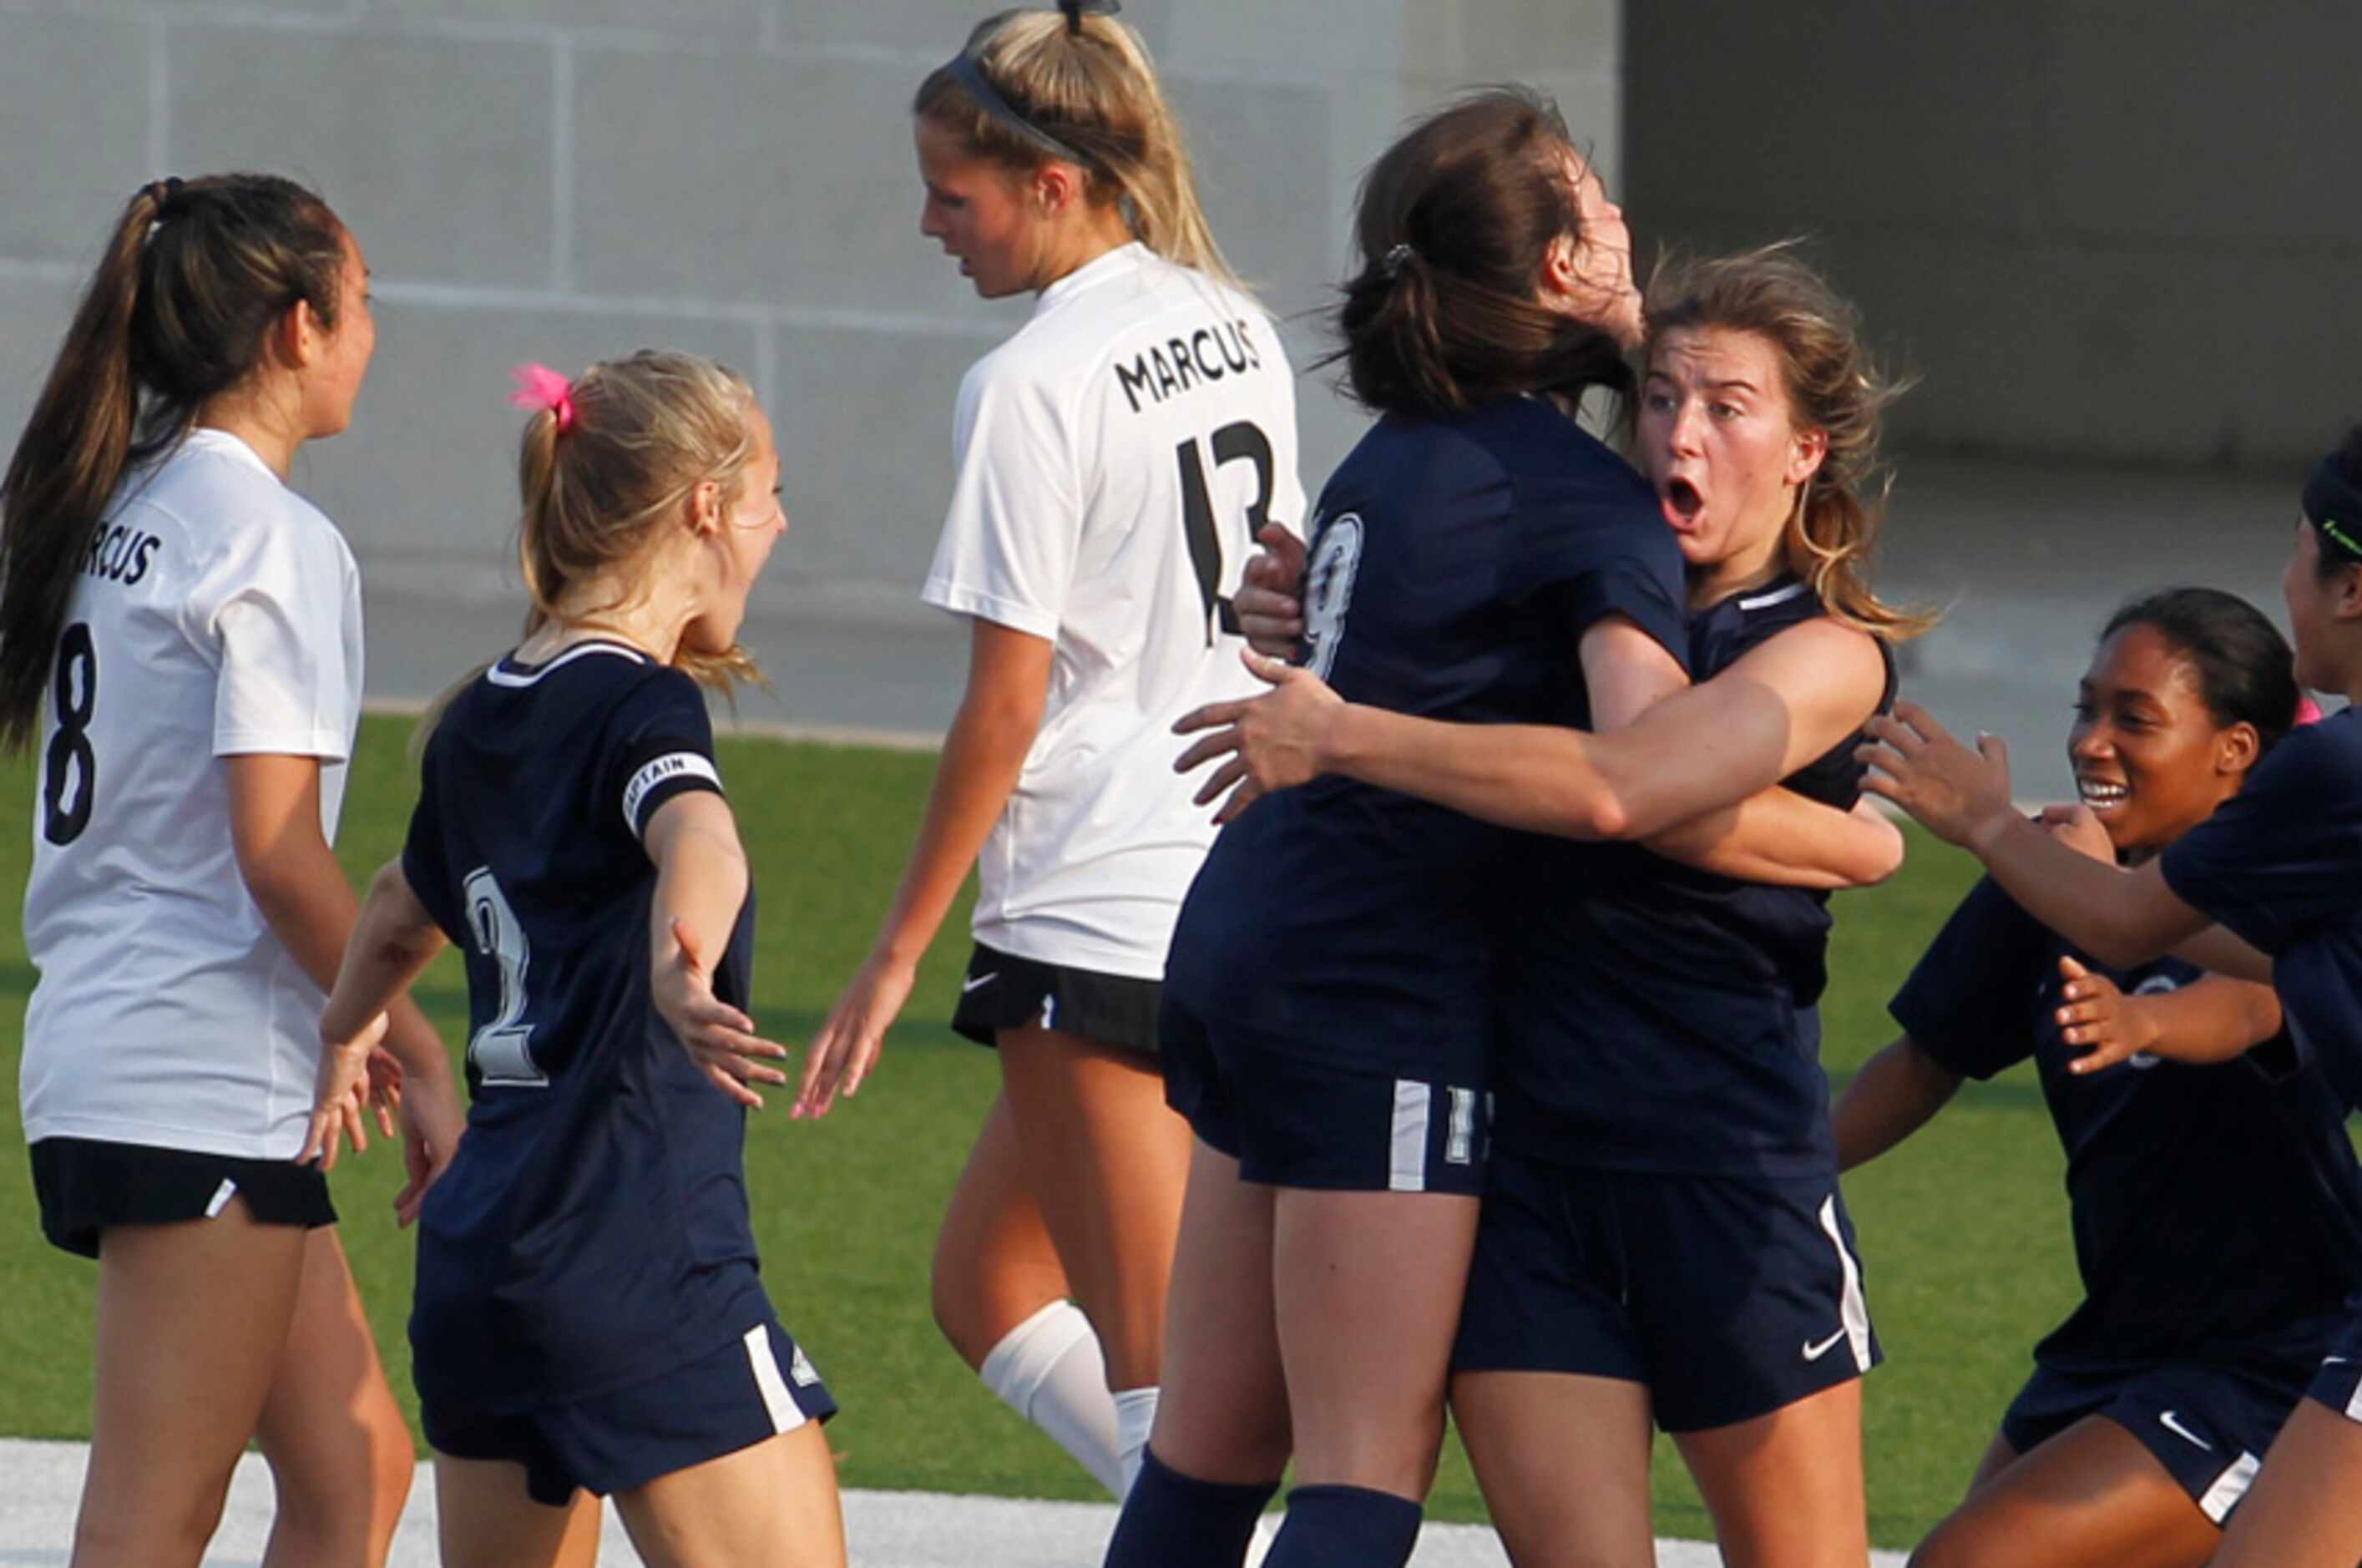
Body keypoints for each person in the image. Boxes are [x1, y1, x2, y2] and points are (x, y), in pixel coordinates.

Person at [1167, 245, 1916, 1566]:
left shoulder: (1825, 650)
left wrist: (1352, 727)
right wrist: (1345, 625)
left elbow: (1642, 787)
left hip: (1724, 1173)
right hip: (1531, 1178)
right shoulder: (1576, 604)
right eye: (1663, 397)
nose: (1681, 431)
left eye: (1730, 407)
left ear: (1806, 452)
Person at [791, 0, 1305, 1502]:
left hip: (1096, 913)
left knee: (1171, 1401)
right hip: (1225, 879)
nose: (933, 224)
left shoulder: (1029, 384)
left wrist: (893, 954)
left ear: (1053, 185)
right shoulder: (1233, 322)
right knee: (985, 1281)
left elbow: (1004, 706)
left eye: (956, 195)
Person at [1861, 409, 2362, 1567]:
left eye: (2299, 557)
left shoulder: (2349, 763)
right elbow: (2289, 953)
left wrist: (1979, 819)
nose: (2286, 581)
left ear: (2354, 586)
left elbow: (2135, 922)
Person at [302, 352, 846, 1568]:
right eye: (766, 494)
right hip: (641, 1263)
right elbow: (697, 830)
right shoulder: (643, 705)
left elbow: (399, 909)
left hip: (483, 1274)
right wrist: (683, 957)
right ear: (703, 508)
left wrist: (345, 1032)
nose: (779, 524)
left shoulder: (480, 713)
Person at [0, 173, 435, 1568]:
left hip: (145, 1054)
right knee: (149, 1521)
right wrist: (410, 1039)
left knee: (354, 1467)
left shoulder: (119, 499)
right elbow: (279, 858)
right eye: (361, 304)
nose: (375, 331)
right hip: (192, 1078)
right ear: (298, 328)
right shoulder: (271, 542)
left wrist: (332, 1017)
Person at [1834, 588, 2362, 1568]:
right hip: (2112, 1348)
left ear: (2233, 751)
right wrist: (1770, 1170)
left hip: (2266, 1368)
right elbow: (1923, 1062)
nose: (2091, 742)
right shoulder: (2049, 872)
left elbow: (2253, 1007)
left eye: (2135, 719)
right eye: (2087, 708)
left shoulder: (2274, 892)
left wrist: (2143, 1016)